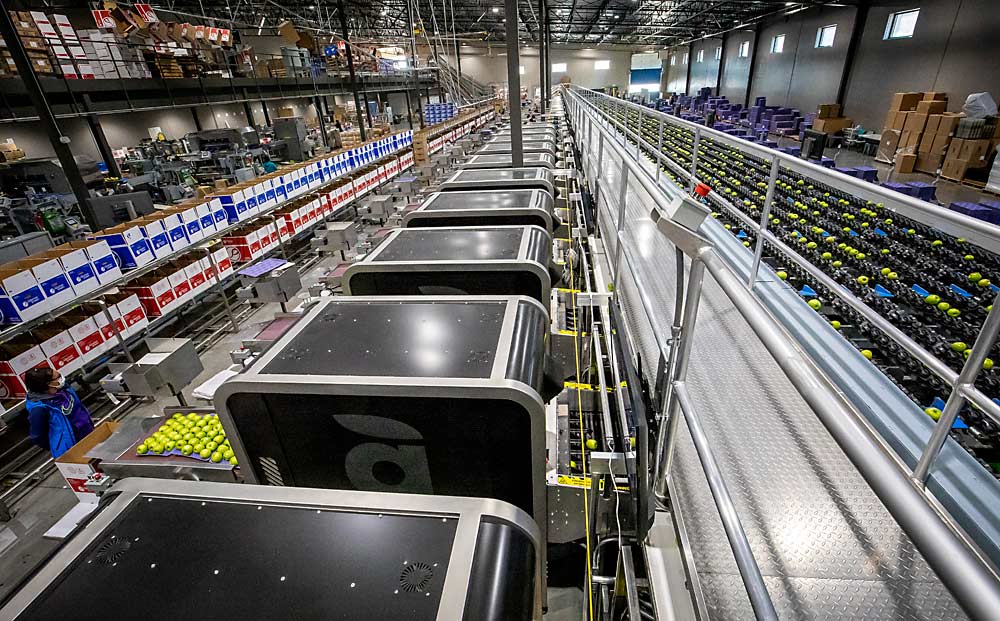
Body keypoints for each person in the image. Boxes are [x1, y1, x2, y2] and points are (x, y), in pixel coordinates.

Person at [25, 367, 95, 459]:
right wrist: (59, 445)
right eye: (58, 377)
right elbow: (37, 436)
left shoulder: (65, 388)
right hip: (72, 448)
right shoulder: (39, 409)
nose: (62, 378)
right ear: (48, 384)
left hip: (89, 433)